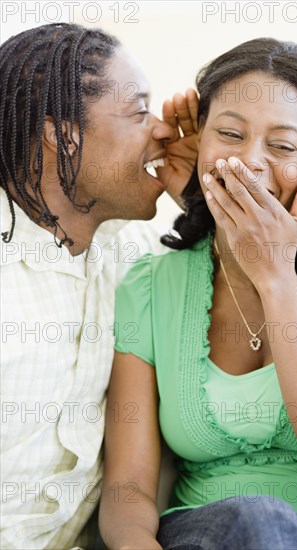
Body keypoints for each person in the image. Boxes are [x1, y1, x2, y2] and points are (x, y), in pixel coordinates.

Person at [101, 38, 297, 549]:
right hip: (211, 536)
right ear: (200, 145)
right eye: (228, 134)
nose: (247, 162)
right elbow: (127, 486)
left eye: (283, 147)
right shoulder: (152, 285)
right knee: (258, 521)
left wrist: (274, 277)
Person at [0, 22, 199, 549]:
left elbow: (271, 269)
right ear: (62, 134)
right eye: (138, 111)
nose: (162, 130)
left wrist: (208, 191)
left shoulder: (138, 252)